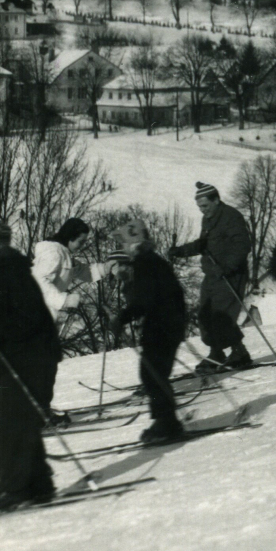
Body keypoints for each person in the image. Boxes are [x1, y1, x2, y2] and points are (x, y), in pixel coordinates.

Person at [0, 219, 60, 512]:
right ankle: (39, 485)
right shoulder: (5, 272)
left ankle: (14, 490)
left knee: (7, 425)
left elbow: (27, 319)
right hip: (25, 358)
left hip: (29, 360)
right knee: (22, 423)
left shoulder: (11, 273)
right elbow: (1, 317)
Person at [109, 220, 189, 444]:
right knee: (154, 374)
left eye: (123, 243)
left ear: (134, 244)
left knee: (152, 374)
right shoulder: (152, 262)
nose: (122, 248)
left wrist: (121, 318)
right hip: (167, 325)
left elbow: (143, 300)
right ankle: (168, 421)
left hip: (161, 327)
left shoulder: (145, 264)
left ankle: (166, 423)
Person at [169, 182, 254, 374]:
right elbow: (203, 245)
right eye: (199, 207)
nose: (202, 210)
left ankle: (239, 353)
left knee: (221, 316)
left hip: (230, 275)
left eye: (205, 206)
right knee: (205, 315)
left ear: (216, 200)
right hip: (212, 275)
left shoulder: (231, 217)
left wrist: (226, 267)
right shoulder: (208, 219)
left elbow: (243, 246)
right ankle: (217, 353)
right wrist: (180, 251)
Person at [31, 217, 94, 330]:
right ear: (70, 236)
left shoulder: (64, 254)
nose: (82, 245)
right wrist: (63, 300)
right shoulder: (54, 253)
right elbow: (38, 281)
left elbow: (81, 270)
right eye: (81, 241)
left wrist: (106, 268)